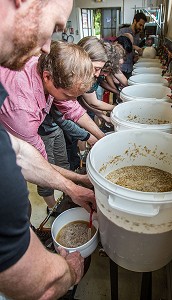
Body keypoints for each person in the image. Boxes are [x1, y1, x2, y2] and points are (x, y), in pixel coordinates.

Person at [0, 1, 95, 299]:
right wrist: (67, 273)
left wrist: (78, 182)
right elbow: (34, 158)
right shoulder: (21, 107)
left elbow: (21, 154)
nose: (46, 47)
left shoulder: (45, 70)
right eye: (55, 27)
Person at [0, 41, 97, 210]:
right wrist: (78, 181)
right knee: (18, 204)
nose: (70, 101)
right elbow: (36, 162)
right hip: (9, 138)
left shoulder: (47, 69)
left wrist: (102, 138)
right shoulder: (23, 109)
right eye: (67, 95)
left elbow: (72, 107)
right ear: (47, 77)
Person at [117, 12, 147, 78]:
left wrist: (135, 56)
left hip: (130, 66)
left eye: (143, 26)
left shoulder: (137, 35)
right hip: (122, 67)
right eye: (140, 25)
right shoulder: (123, 31)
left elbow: (132, 52)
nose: (141, 28)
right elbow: (118, 46)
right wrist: (134, 47)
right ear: (135, 21)